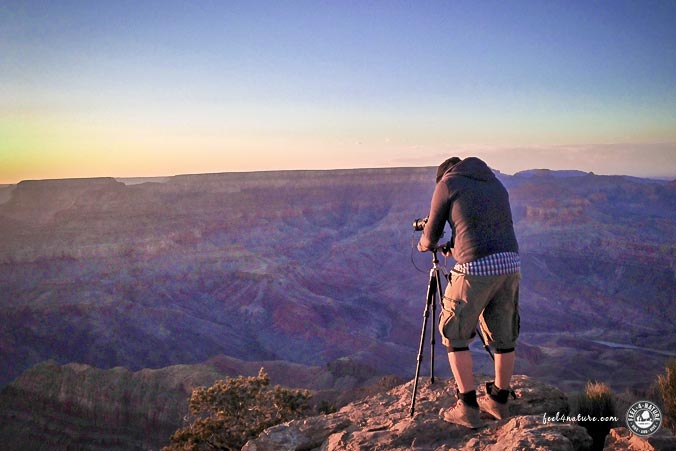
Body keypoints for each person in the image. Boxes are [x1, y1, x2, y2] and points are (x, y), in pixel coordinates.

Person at [417, 156, 520, 429]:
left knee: (454, 332)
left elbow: (430, 236)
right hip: (510, 264)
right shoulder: (495, 183)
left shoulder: (447, 184)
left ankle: (467, 407)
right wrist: (455, 246)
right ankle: (499, 400)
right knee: (503, 333)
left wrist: (424, 243)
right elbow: (480, 228)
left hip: (475, 269)